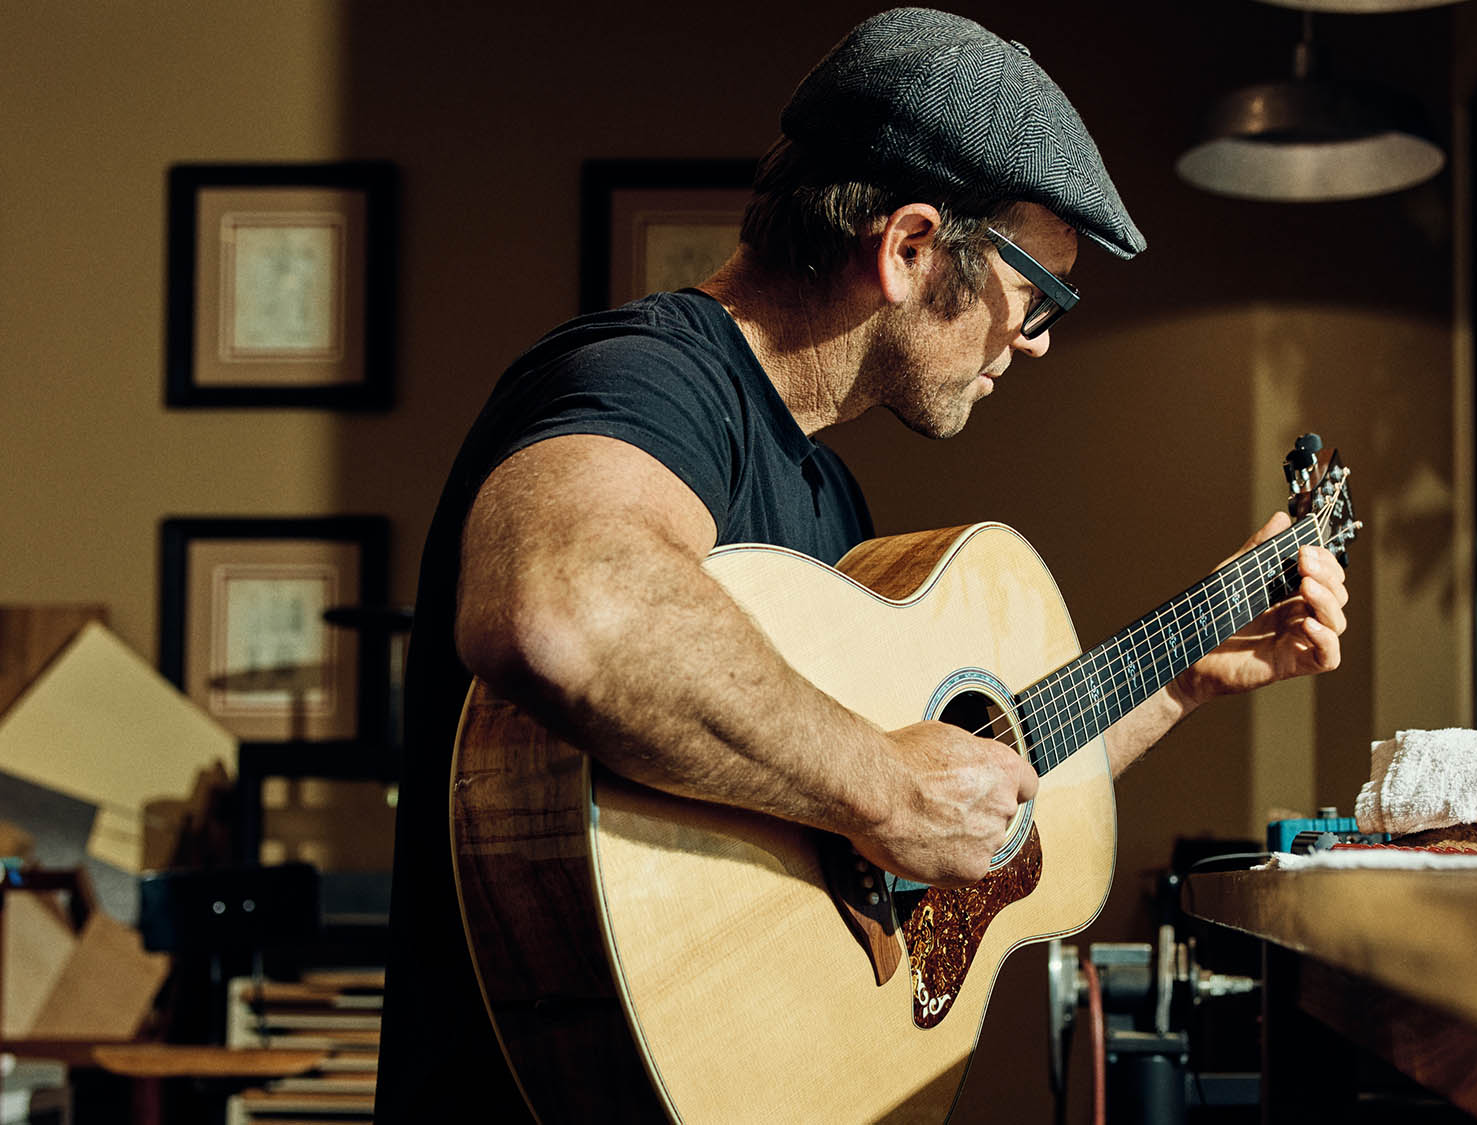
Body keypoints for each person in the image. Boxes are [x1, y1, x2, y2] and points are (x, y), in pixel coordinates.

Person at [374, 8, 1349, 1120]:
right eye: (1040, 295)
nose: (1033, 341)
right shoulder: (648, 380)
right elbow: (569, 610)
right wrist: (883, 786)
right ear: (911, 249)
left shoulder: (835, 504)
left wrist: (1188, 672)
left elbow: (961, 801)